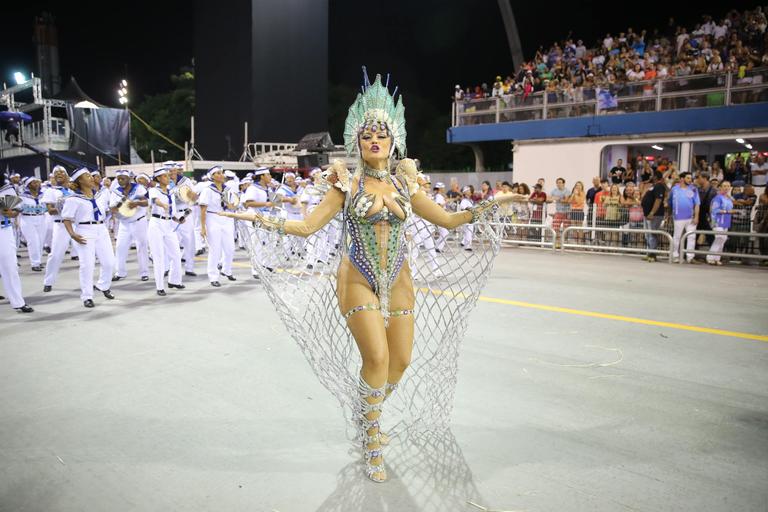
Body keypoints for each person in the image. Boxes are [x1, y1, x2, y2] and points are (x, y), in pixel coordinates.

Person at [219, 72, 510, 483]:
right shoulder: (345, 182)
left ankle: (365, 409)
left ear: (394, 143)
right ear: (357, 142)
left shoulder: (407, 182)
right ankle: (372, 436)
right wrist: (255, 217)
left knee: (402, 361)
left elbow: (448, 218)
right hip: (356, 276)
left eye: (383, 136)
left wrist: (493, 204)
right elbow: (307, 228)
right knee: (376, 358)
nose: (376, 142)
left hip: (399, 278)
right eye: (368, 136)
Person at [60, 168, 116, 308]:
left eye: (91, 175)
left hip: (101, 229)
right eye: (87, 176)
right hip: (84, 230)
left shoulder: (99, 195)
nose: (91, 178)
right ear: (79, 180)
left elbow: (107, 211)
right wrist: (72, 234)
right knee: (87, 265)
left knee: (109, 262)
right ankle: (87, 296)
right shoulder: (73, 199)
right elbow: (66, 219)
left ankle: (103, 286)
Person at [147, 167, 186, 296]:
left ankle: (174, 281)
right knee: (158, 256)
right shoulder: (154, 190)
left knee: (176, 254)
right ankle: (160, 286)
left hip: (168, 224)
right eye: (164, 176)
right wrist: (162, 204)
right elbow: (154, 200)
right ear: (158, 178)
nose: (168, 178)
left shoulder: (170, 193)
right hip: (156, 223)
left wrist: (178, 219)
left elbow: (172, 212)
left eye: (168, 176)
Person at [199, 166, 237, 287]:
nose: (221, 175)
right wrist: (203, 227)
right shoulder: (208, 190)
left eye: (221, 173)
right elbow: (203, 209)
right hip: (212, 218)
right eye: (218, 173)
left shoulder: (228, 189)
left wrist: (232, 206)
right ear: (212, 177)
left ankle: (226, 270)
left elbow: (231, 205)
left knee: (230, 248)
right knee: (215, 249)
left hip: (226, 218)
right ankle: (213, 276)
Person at [0, 173, 33, 312]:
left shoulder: (4, 187)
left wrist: (8, 211)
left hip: (2, 229)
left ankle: (18, 301)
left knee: (10, 266)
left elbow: (15, 210)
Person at [109, 170, 150, 282]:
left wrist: (136, 203)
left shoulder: (138, 188)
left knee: (141, 247)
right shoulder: (116, 192)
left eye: (123, 178)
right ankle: (120, 272)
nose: (121, 181)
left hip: (139, 221)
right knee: (120, 247)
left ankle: (144, 273)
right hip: (124, 224)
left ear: (129, 179)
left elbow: (146, 202)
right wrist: (121, 203)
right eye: (119, 179)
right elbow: (112, 208)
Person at [42, 166, 77, 292]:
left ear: (67, 175)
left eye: (62, 172)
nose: (59, 174)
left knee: (86, 254)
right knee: (56, 254)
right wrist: (64, 208)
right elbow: (50, 211)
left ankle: (91, 283)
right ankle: (48, 281)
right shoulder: (51, 191)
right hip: (61, 225)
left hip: (77, 224)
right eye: (56, 173)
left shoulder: (74, 190)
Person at [242, 167, 275, 277]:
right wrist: (265, 204)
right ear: (261, 176)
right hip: (255, 216)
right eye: (268, 175)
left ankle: (267, 264)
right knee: (257, 244)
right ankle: (255, 269)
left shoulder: (268, 188)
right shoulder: (253, 188)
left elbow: (273, 201)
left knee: (269, 241)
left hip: (267, 216)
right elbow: (248, 204)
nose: (270, 177)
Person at [168, 163, 199, 277]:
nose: (172, 173)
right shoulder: (164, 183)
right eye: (169, 171)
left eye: (173, 171)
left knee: (189, 241)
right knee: (171, 243)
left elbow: (194, 197)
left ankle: (189, 268)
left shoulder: (185, 180)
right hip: (171, 215)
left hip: (185, 213)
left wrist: (191, 195)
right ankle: (170, 269)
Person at [669, 172, 700, 263]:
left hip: (690, 217)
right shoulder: (674, 189)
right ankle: (675, 256)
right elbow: (670, 201)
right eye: (688, 178)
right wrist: (671, 214)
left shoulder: (694, 189)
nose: (690, 180)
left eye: (691, 178)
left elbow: (697, 204)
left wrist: (696, 216)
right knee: (677, 237)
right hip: (678, 217)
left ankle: (690, 257)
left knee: (692, 237)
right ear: (682, 179)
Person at [18, 176, 47, 271]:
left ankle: (38, 261)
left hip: (42, 218)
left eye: (37, 182)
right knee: (33, 241)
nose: (37, 184)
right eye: (34, 182)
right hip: (27, 219)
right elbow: (17, 209)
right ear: (28, 185)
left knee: (41, 241)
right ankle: (35, 263)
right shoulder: (22, 196)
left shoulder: (43, 194)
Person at [707, 181, 735, 265]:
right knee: (720, 238)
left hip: (725, 221)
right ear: (720, 187)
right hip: (717, 221)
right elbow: (715, 210)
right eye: (724, 186)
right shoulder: (717, 198)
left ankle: (717, 258)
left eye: (728, 186)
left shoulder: (729, 198)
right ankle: (710, 257)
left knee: (723, 240)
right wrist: (728, 211)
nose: (726, 188)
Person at [642, 171, 668, 262]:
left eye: (652, 176)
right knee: (647, 235)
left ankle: (652, 254)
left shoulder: (659, 186)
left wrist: (652, 212)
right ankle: (649, 253)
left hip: (655, 215)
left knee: (652, 234)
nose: (651, 177)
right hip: (647, 214)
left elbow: (658, 200)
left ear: (656, 177)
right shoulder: (653, 186)